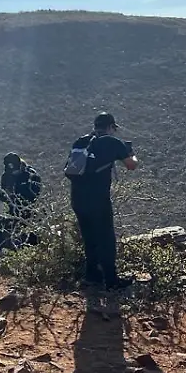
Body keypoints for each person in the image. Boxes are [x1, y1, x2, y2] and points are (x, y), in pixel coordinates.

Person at [69, 112, 139, 290]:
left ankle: (92, 276)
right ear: (110, 127)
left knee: (89, 237)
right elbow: (131, 165)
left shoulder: (81, 141)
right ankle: (111, 280)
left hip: (77, 199)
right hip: (98, 200)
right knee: (106, 238)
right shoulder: (112, 142)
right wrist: (130, 151)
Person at [2, 153, 42, 246]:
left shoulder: (31, 175)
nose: (13, 172)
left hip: (30, 207)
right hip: (14, 207)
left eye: (15, 170)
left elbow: (36, 191)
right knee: (13, 233)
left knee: (32, 235)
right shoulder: (6, 175)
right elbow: (5, 191)